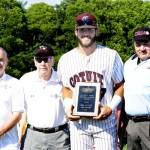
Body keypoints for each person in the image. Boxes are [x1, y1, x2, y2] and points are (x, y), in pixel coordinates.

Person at [57, 12, 124, 150]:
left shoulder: (111, 55)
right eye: (82, 29)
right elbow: (65, 88)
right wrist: (68, 106)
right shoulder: (65, 59)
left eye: (90, 29)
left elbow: (121, 85)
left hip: (105, 123)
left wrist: (111, 108)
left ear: (96, 31)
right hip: (78, 124)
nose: (85, 33)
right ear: (76, 32)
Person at [19, 45, 70, 150]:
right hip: (32, 136)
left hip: (60, 137)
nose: (43, 63)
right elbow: (21, 111)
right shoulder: (25, 80)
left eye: (46, 59)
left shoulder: (63, 79)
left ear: (53, 61)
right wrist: (20, 134)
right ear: (34, 61)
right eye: (39, 59)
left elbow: (70, 108)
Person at [124, 27, 150, 150]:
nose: (142, 48)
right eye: (138, 44)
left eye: (146, 44)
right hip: (131, 124)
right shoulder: (128, 63)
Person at [0, 47, 24, 150]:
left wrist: (0, 132)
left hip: (9, 144)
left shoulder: (15, 83)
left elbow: (17, 115)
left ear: (6, 61)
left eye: (1, 60)